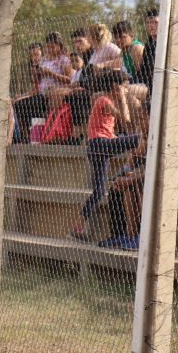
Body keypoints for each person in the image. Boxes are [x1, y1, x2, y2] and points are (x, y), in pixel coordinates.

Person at [70, 70, 138, 243]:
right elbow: (126, 121)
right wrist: (123, 99)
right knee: (138, 139)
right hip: (100, 145)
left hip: (99, 146)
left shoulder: (105, 100)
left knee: (99, 191)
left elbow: (111, 129)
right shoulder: (105, 101)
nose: (127, 88)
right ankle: (138, 164)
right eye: (124, 86)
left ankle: (77, 226)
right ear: (115, 87)